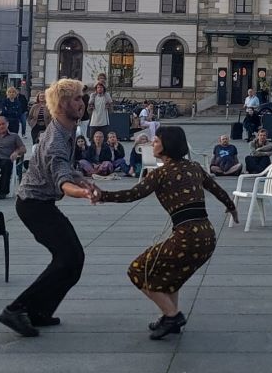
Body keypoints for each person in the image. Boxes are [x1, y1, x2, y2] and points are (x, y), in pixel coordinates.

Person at [93, 125, 238, 339]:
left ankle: (173, 315)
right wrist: (232, 208)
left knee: (137, 270)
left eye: (157, 141)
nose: (153, 143)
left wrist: (102, 195)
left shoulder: (160, 174)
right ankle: (170, 318)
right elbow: (218, 191)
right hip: (207, 235)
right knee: (172, 276)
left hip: (187, 236)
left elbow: (133, 194)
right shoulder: (195, 167)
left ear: (167, 145)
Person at [0, 79, 97, 337]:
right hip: (34, 205)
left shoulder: (66, 128)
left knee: (72, 259)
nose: (81, 103)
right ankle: (16, 309)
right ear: (62, 104)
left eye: (80, 98)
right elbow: (62, 180)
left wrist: (79, 177)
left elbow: (64, 171)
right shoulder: (56, 140)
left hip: (40, 202)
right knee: (68, 258)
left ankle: (40, 311)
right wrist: (83, 191)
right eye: (76, 99)